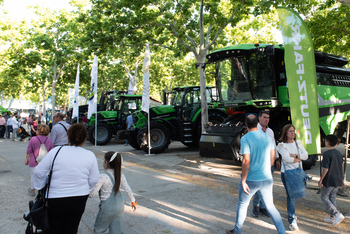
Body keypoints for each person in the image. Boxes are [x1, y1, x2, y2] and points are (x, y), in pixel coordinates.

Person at [34, 123, 100, 234]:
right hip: (79, 198)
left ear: (68, 137)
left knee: (54, 228)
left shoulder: (56, 151)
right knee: (72, 228)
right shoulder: (90, 155)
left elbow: (38, 172)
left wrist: (42, 185)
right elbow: (94, 179)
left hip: (55, 197)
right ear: (84, 139)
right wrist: (83, 187)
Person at [226, 114, 285, 234]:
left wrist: (243, 179)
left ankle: (237, 231)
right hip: (267, 178)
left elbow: (246, 160)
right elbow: (273, 157)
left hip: (252, 179)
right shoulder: (267, 137)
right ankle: (282, 232)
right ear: (256, 122)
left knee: (243, 205)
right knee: (271, 207)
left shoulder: (245, 138)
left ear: (246, 124)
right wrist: (265, 168)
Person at [89, 151, 137, 234]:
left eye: (103, 160)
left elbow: (92, 194)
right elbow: (127, 189)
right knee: (115, 231)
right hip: (119, 207)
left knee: (99, 230)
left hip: (107, 209)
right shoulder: (120, 175)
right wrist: (133, 201)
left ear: (107, 163)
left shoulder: (103, 177)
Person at [277, 124, 308, 231]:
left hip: (297, 172)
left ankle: (292, 215)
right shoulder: (281, 145)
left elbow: (306, 156)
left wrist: (294, 156)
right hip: (287, 174)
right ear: (286, 133)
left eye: (293, 131)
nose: (293, 133)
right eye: (290, 131)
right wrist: (299, 158)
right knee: (291, 197)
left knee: (295, 195)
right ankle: (292, 220)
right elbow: (286, 159)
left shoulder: (297, 143)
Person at [252, 110, 280, 218]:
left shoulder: (270, 132)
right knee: (259, 185)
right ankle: (255, 206)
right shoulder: (254, 131)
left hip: (270, 163)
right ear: (259, 118)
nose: (266, 119)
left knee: (267, 186)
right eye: (264, 117)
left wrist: (277, 159)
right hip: (259, 163)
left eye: (268, 117)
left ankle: (263, 207)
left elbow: (274, 146)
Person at [318, 134, 345, 226]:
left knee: (324, 197)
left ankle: (337, 213)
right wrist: (342, 178)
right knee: (332, 197)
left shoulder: (326, 154)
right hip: (337, 179)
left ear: (327, 143)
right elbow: (341, 166)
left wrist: (321, 179)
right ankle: (332, 217)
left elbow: (326, 168)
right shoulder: (338, 153)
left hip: (329, 179)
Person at [25, 124, 53, 196]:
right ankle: (43, 190)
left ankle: (32, 190)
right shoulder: (49, 140)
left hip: (34, 161)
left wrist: (26, 159)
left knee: (33, 176)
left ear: (39, 131)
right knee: (45, 176)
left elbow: (29, 150)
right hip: (45, 162)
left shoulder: (33, 139)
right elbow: (51, 151)